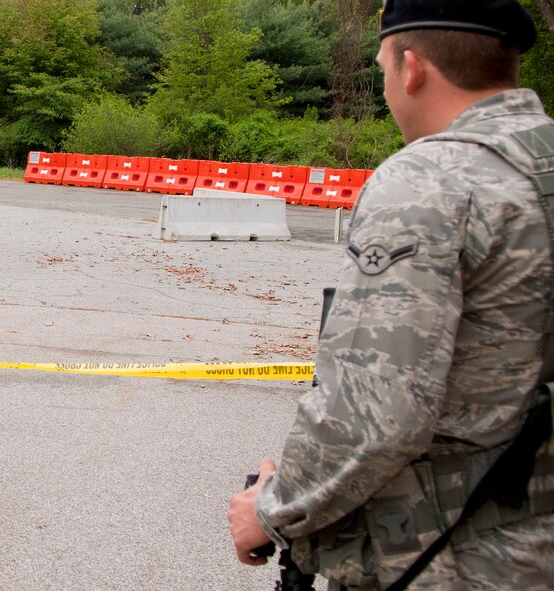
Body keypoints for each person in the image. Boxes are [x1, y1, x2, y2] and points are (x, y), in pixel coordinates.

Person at [228, 0, 554, 588]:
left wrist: (272, 510)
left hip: (455, 555)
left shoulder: (429, 182)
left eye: (381, 69)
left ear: (411, 68)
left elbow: (373, 414)